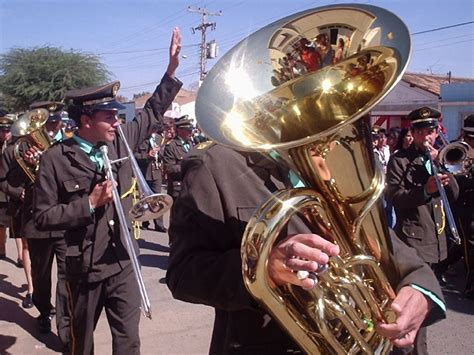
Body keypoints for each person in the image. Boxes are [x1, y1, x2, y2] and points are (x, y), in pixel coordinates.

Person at [166, 141, 446, 354]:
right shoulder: (215, 165)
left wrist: (419, 289)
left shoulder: (337, 156)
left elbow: (384, 242)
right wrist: (262, 267)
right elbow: (183, 273)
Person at [33, 27, 182, 354]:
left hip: (123, 259)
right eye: (109, 115)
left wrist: (171, 70)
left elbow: (154, 110)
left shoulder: (122, 140)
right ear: (86, 119)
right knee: (79, 342)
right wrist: (87, 203)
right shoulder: (55, 159)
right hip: (83, 266)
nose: (117, 121)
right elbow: (42, 217)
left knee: (128, 341)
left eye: (117, 114)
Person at [7, 101, 70, 345]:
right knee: (41, 275)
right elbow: (9, 179)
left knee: (67, 276)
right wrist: (27, 168)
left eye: (56, 121)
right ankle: (45, 311)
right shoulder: (20, 148)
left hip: (64, 219)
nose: (53, 125)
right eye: (49, 121)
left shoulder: (68, 144)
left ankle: (66, 328)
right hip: (37, 221)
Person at [386, 107, 459, 280]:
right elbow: (395, 198)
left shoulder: (440, 158)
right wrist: (425, 191)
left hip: (438, 239)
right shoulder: (399, 160)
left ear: (436, 133)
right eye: (420, 132)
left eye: (430, 132)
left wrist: (444, 169)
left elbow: (454, 195)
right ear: (411, 132)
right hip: (413, 239)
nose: (426, 137)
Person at [0, 117, 35, 309]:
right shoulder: (10, 151)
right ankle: (31, 290)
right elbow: (2, 181)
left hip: (46, 203)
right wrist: (16, 192)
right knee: (27, 246)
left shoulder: (50, 148)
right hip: (22, 206)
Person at [454, 114, 474, 298]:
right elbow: (454, 179)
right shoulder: (456, 150)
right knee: (469, 246)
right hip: (466, 207)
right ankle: (470, 283)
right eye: (469, 138)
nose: (471, 143)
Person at [134, 125, 167, 232]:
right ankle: (145, 221)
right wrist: (147, 155)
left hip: (156, 172)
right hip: (144, 172)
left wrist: (159, 152)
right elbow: (135, 155)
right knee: (145, 199)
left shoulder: (159, 138)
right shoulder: (140, 139)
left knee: (158, 198)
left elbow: (164, 153)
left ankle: (159, 224)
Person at [162, 115, 194, 200]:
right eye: (188, 130)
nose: (191, 133)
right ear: (180, 130)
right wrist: (187, 166)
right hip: (178, 189)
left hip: (191, 186)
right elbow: (168, 168)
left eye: (191, 130)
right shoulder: (171, 146)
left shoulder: (190, 144)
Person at [0, 111, 13, 259]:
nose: (5, 133)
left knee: (16, 226)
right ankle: (2, 249)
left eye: (7, 130)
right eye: (2, 130)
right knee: (1, 222)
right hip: (2, 190)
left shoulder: (15, 145)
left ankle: (22, 257)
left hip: (12, 188)